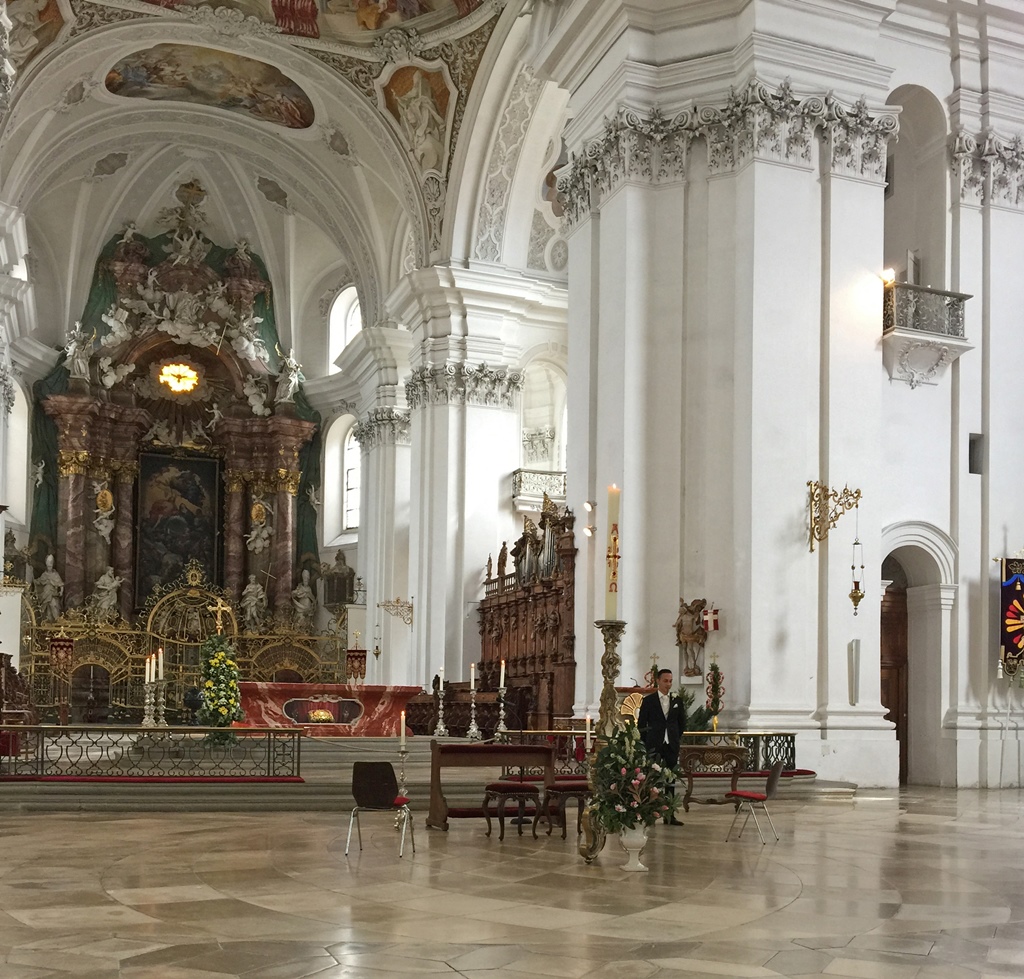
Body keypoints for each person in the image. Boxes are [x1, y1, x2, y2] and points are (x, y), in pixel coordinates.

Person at [638, 667, 685, 825]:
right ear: (658, 681)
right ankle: (650, 812)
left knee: (671, 779)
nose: (668, 684)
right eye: (665, 681)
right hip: (654, 744)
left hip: (671, 744)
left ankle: (669, 815)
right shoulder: (649, 701)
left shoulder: (677, 700)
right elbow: (642, 725)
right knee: (652, 779)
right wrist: (647, 742)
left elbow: (682, 723)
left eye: (670, 681)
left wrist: (674, 738)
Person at [35, 553, 64, 622]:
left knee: (53, 605)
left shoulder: (55, 574)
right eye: (48, 565)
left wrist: (61, 592)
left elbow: (61, 584)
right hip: (45, 594)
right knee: (46, 609)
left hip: (53, 594)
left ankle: (56, 621)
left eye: (50, 565)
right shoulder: (44, 574)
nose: (49, 567)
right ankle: (47, 622)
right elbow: (39, 581)